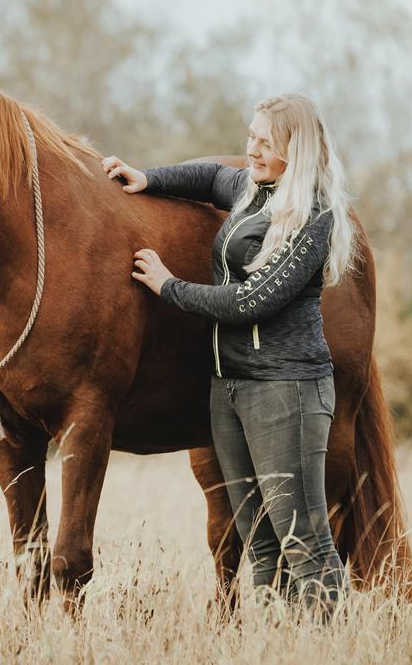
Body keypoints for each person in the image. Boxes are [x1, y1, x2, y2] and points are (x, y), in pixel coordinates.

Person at [101, 93, 357, 620]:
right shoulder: (252, 190)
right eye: (252, 137)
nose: (253, 150)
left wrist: (168, 286)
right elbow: (208, 176)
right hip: (230, 388)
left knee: (303, 536)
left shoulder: (312, 215)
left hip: (286, 390)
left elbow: (250, 302)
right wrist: (145, 177)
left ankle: (333, 643)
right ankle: (274, 643)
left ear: (298, 149)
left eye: (267, 142)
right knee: (258, 538)